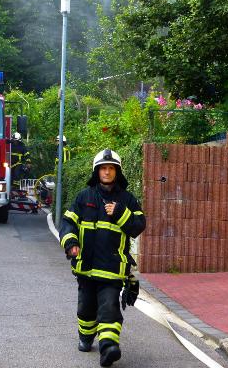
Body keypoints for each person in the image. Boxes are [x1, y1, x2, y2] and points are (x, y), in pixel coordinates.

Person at [59, 149, 146, 367]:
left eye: (111, 168)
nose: (107, 172)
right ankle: (86, 336)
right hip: (86, 267)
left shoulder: (127, 200)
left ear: (117, 171)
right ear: (96, 172)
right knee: (86, 308)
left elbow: (138, 226)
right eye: (103, 168)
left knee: (109, 307)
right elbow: (68, 223)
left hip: (112, 269)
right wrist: (71, 243)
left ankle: (109, 347)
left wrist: (120, 212)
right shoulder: (84, 197)